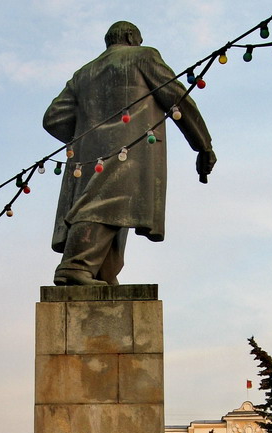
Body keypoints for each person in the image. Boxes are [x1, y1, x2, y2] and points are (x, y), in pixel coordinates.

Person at [43, 21, 216, 286]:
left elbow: (54, 118)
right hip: (130, 146)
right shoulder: (144, 56)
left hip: (88, 155)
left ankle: (103, 272)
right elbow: (177, 98)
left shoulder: (82, 74)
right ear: (129, 37)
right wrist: (203, 144)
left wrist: (89, 135)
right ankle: (75, 266)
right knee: (104, 203)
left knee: (118, 210)